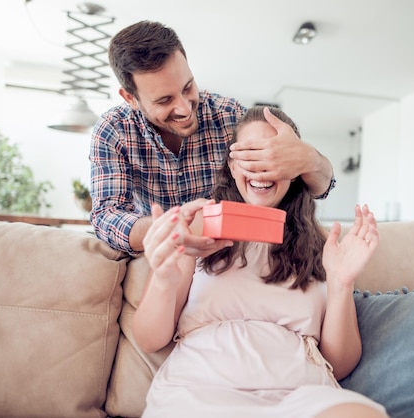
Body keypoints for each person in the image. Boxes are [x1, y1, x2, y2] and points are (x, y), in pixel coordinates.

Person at [133, 106, 388, 418]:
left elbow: (340, 363)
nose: (260, 168)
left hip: (299, 395)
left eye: (273, 156)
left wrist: (341, 284)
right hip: (201, 390)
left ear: (296, 167)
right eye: (249, 154)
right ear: (231, 162)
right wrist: (163, 278)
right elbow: (148, 339)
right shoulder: (199, 226)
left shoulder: (323, 245)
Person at [89, 20, 335, 256]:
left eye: (187, 87)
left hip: (227, 253)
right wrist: (173, 228)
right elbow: (106, 216)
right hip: (160, 252)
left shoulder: (230, 115)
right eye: (164, 100)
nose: (185, 109)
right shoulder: (114, 129)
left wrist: (311, 160)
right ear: (130, 98)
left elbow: (314, 190)